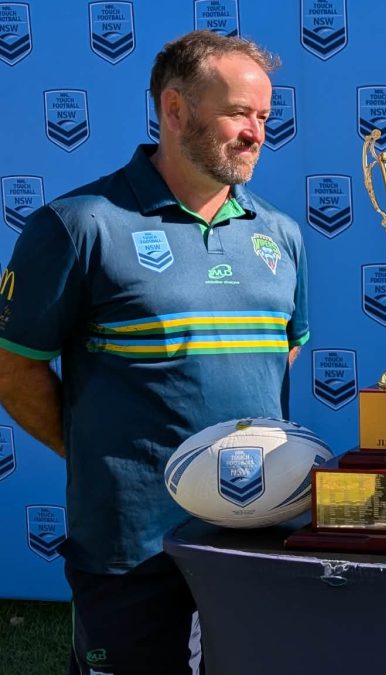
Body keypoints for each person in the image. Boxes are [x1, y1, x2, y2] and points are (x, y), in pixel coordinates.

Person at [0, 31, 308, 675]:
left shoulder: (280, 234)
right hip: (131, 544)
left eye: (263, 117)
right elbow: (15, 366)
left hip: (251, 538)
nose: (256, 133)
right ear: (174, 109)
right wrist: (103, 452)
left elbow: (281, 362)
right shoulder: (79, 225)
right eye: (236, 113)